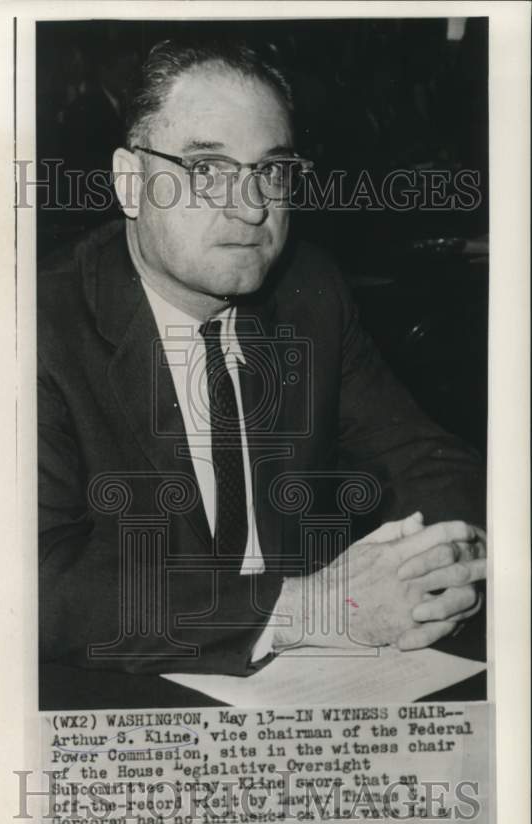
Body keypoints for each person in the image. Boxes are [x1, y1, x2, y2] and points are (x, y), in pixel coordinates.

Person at [37, 38, 486, 693]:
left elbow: (424, 461)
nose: (251, 207)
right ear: (130, 182)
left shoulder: (310, 292)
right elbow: (34, 587)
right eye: (208, 169)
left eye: (271, 173)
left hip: (310, 687)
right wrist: (309, 608)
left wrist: (441, 565)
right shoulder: (38, 323)